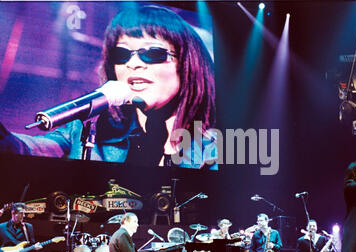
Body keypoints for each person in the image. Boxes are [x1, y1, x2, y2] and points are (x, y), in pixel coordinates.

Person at [0, 5, 217, 169]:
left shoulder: (215, 146)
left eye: (152, 53)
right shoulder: (88, 131)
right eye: (122, 54)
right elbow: (30, 147)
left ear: (189, 64)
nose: (133, 64)